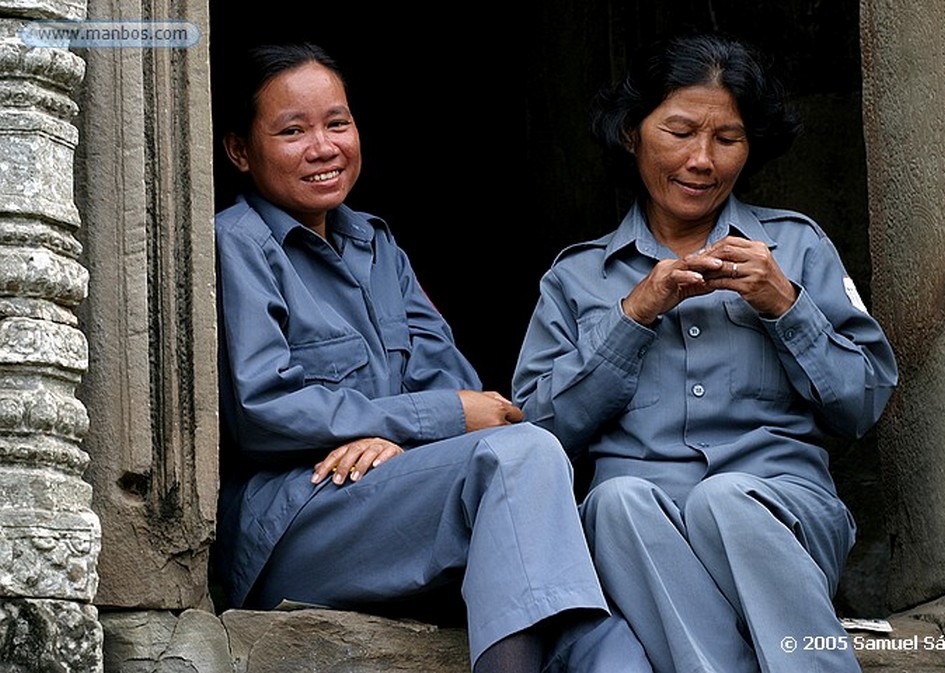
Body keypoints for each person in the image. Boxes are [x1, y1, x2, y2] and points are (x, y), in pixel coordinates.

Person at [211, 42, 639, 673]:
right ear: (240, 150)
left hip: (400, 503)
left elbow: (464, 396)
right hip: (296, 522)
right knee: (525, 458)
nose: (324, 146)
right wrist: (407, 424)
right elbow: (263, 409)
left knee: (603, 616)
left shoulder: (377, 246)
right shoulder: (237, 243)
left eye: (338, 122)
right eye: (292, 131)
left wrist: (397, 437)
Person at [512, 32, 898, 673]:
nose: (702, 160)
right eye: (681, 132)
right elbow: (535, 435)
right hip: (639, 545)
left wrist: (785, 303)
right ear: (632, 133)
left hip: (783, 520)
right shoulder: (575, 277)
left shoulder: (797, 248)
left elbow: (863, 406)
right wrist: (632, 316)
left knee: (725, 500)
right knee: (615, 499)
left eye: (728, 138)